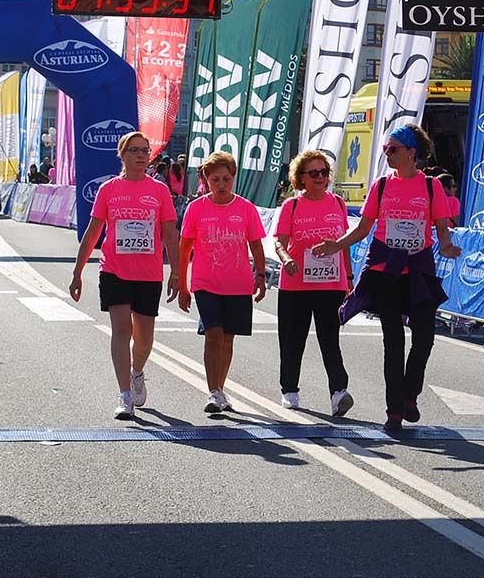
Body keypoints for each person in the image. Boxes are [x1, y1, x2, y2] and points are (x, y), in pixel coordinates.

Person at [314, 124, 461, 431]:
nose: (387, 154)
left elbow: (441, 228)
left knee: (425, 337)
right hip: (386, 271)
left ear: (411, 152)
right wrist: (335, 245)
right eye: (385, 149)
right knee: (392, 341)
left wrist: (447, 246)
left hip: (418, 269)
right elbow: (363, 228)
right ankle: (394, 410)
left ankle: (410, 395)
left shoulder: (431, 186)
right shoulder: (381, 185)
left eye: (392, 149)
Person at [70, 132, 180, 420]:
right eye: (134, 150)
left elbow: (170, 233)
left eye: (145, 150)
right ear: (122, 154)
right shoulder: (109, 189)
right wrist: (78, 271)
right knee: (122, 331)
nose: (141, 155)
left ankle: (137, 372)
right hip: (114, 270)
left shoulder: (159, 191)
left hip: (148, 273)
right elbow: (93, 232)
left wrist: (177, 272)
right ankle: (125, 395)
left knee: (144, 338)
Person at [178, 151, 267, 414]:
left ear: (233, 178)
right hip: (206, 283)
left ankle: (220, 388)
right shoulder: (196, 208)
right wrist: (182, 285)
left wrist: (260, 276)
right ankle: (213, 391)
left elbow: (256, 244)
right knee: (213, 334)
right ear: (206, 179)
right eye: (215, 179)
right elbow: (185, 248)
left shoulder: (246, 209)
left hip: (238, 284)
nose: (221, 184)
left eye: (226, 179)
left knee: (228, 338)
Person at [274, 150, 354, 416]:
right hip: (296, 285)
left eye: (324, 172)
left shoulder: (338, 203)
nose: (320, 177)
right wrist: (286, 258)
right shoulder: (292, 206)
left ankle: (339, 392)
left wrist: (349, 277)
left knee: (330, 339)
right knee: (292, 339)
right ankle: (289, 389)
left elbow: (343, 244)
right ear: (301, 178)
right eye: (314, 173)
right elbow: (279, 242)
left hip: (330, 285)